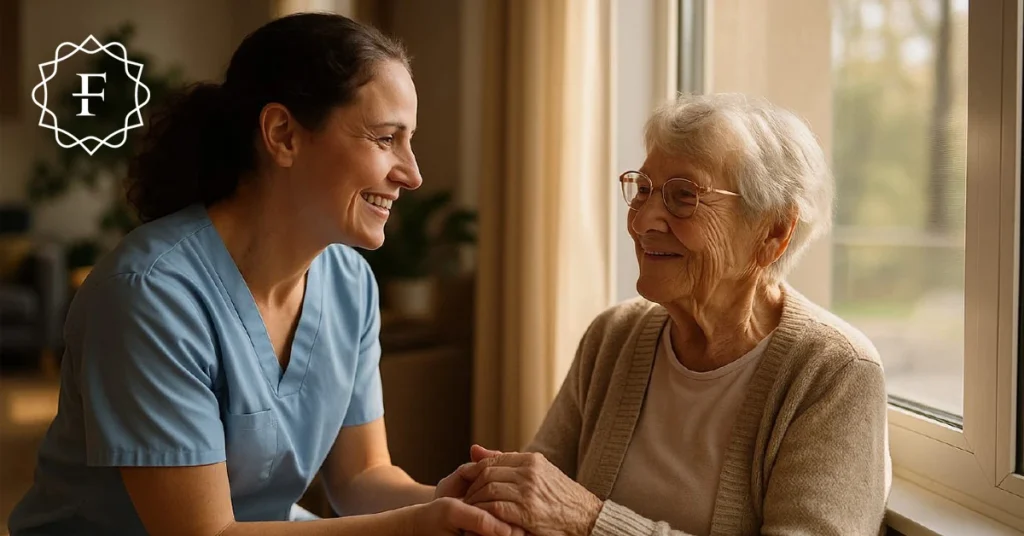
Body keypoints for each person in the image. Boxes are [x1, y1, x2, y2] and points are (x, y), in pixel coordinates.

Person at [8, 13, 514, 536]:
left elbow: (362, 475)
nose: (411, 173)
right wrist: (413, 526)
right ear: (283, 134)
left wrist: (448, 504)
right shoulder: (150, 295)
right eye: (387, 138)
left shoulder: (351, 283)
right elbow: (203, 534)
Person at [455, 94, 892, 536]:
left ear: (774, 231)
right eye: (642, 189)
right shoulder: (614, 336)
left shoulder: (835, 373)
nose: (643, 220)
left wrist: (592, 522)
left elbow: (567, 511)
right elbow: (536, 502)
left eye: (684, 196)